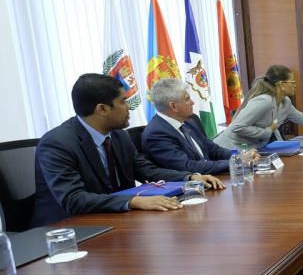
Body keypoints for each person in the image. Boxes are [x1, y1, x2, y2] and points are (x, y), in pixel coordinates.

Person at [32, 74, 223, 226]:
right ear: (102, 109)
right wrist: (134, 201)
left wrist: (190, 177)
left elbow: (147, 170)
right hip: (70, 229)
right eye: (123, 102)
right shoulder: (57, 144)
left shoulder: (118, 135)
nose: (129, 108)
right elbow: (73, 199)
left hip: (116, 219)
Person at [214, 64, 303, 149]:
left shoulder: (285, 103)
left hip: (249, 150)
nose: (295, 85)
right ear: (281, 84)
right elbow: (238, 126)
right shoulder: (263, 101)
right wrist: (266, 132)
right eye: (292, 82)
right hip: (228, 149)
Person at [143, 78, 248, 175]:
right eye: (187, 99)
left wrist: (240, 156)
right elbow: (188, 166)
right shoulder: (156, 134)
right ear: (173, 106)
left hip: (212, 178)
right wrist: (237, 161)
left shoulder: (190, 120)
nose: (192, 102)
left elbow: (213, 149)